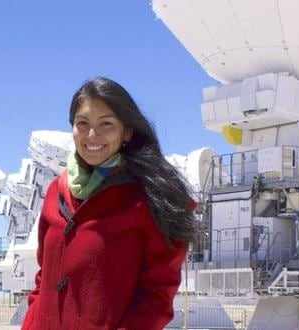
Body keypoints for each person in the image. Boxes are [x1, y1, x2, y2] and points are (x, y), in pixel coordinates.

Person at [22, 77, 199, 330]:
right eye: (82, 123)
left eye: (106, 124)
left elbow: (156, 297)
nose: (92, 134)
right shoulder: (55, 192)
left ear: (126, 131)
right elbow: (44, 278)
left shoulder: (150, 199)